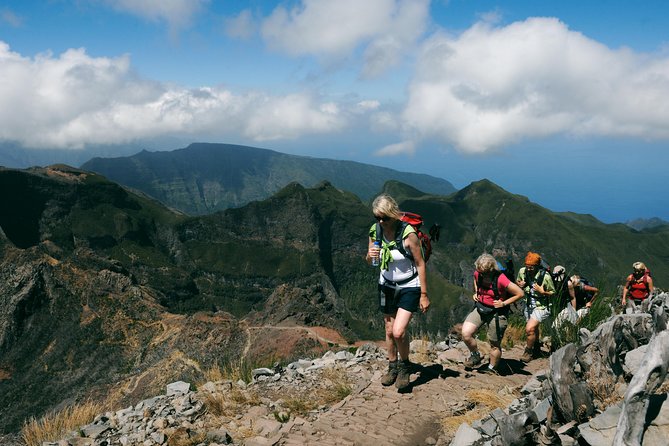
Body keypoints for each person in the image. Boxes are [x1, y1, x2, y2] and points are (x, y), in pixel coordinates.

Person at [366, 194, 430, 391]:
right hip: (386, 284)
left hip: (409, 286)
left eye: (385, 217)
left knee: (399, 331)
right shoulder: (375, 230)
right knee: (388, 330)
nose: (381, 221)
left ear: (394, 214)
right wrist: (370, 256)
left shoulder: (408, 233)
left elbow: (420, 263)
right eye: (377, 217)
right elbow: (369, 260)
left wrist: (424, 294)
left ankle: (404, 366)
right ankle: (392, 366)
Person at [462, 253, 524, 374]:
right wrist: (476, 293)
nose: (480, 274)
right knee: (466, 334)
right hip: (481, 308)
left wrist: (503, 303)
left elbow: (520, 293)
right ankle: (475, 356)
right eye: (479, 271)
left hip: (497, 313)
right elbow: (476, 280)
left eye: (483, 272)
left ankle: (491, 369)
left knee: (494, 344)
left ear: (490, 270)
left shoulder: (501, 279)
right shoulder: (477, 274)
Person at [516, 252, 556, 363]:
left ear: (537, 266)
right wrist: (520, 284)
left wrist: (543, 292)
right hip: (528, 304)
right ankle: (537, 348)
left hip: (542, 306)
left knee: (529, 328)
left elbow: (553, 293)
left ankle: (528, 351)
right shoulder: (522, 271)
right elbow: (518, 281)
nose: (528, 269)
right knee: (534, 328)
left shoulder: (545, 277)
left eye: (531, 267)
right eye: (527, 267)